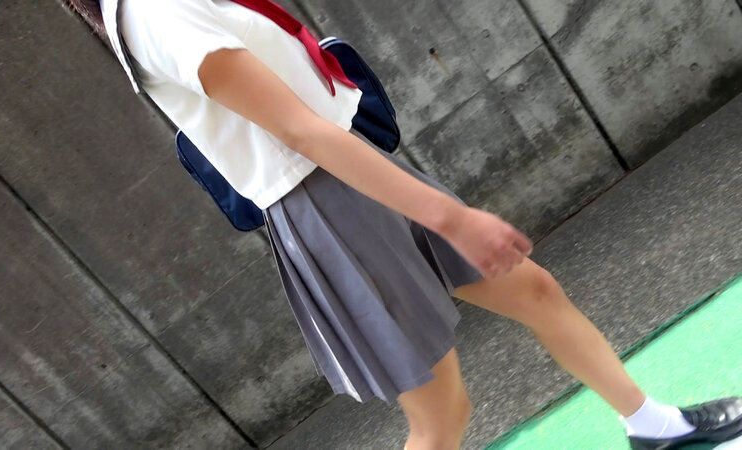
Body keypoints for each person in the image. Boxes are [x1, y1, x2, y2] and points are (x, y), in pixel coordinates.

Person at [68, 0, 742, 448]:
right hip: (326, 202)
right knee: (440, 415)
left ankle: (652, 425)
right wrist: (454, 218)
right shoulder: (155, 11)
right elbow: (298, 132)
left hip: (351, 171)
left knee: (534, 293)